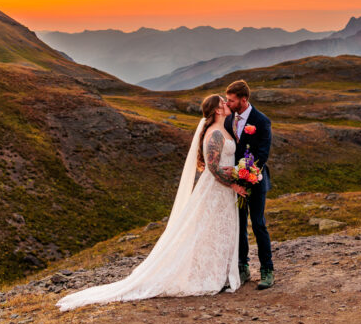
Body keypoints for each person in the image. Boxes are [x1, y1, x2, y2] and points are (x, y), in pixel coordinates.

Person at [55, 94, 246, 311]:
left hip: (223, 191)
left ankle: (218, 273)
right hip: (215, 190)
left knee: (217, 232)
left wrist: (239, 174)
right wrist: (234, 183)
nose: (226, 104)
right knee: (209, 231)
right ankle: (208, 276)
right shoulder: (215, 134)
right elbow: (213, 168)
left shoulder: (222, 129)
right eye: (223, 102)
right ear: (218, 110)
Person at [223, 79, 274, 289]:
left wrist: (245, 174)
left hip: (255, 180)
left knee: (258, 224)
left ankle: (267, 270)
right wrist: (234, 178)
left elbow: (262, 154)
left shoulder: (261, 121)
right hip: (235, 184)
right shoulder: (228, 120)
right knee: (240, 225)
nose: (227, 103)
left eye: (231, 100)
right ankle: (242, 268)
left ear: (243, 100)